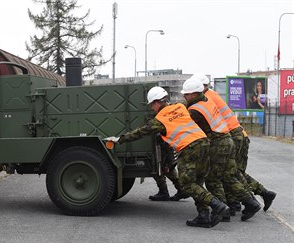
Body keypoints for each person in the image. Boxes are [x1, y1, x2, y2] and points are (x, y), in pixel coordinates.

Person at [107, 86, 229, 228]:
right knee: (197, 181)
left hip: (189, 148)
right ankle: (203, 215)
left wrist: (119, 139)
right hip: (204, 143)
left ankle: (217, 205)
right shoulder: (180, 106)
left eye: (152, 105)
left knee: (187, 184)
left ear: (157, 102)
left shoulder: (159, 119)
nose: (152, 108)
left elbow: (140, 132)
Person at [192, 73, 276, 214]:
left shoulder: (207, 98)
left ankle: (251, 200)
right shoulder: (212, 94)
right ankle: (243, 200)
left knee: (229, 173)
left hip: (232, 135)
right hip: (237, 134)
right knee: (233, 171)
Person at [181, 78, 261, 222]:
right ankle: (250, 202)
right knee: (228, 176)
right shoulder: (207, 101)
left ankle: (224, 210)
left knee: (212, 179)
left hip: (218, 144)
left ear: (193, 94)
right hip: (227, 140)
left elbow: (183, 124)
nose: (184, 97)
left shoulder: (195, 110)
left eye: (186, 95)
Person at [148, 136, 188, 201]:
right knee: (167, 170)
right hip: (166, 147)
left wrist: (167, 164)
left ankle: (164, 192)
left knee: (159, 170)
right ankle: (181, 190)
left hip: (164, 149)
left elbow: (166, 148)